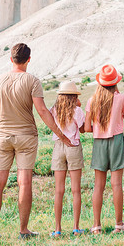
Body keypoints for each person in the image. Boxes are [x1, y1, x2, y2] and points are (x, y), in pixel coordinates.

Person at [0, 43, 75, 240]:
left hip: (2, 137)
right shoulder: (32, 81)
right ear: (29, 60)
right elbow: (42, 111)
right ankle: (23, 230)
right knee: (25, 183)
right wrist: (61, 134)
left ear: (11, 59)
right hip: (26, 137)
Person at [84, 64, 124, 234]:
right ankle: (119, 225)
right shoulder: (121, 98)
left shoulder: (92, 100)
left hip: (99, 142)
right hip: (117, 141)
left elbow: (87, 128)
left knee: (99, 185)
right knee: (116, 184)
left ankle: (96, 226)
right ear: (115, 82)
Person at [49, 81, 86, 237]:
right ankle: (76, 228)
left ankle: (57, 229)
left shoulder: (53, 110)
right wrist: (79, 106)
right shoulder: (77, 110)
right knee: (76, 190)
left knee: (59, 191)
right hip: (73, 147)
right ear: (74, 96)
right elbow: (83, 129)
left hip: (58, 147)